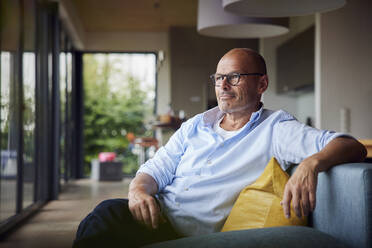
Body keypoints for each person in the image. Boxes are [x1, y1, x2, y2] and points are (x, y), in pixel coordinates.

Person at [73, 48, 366, 248]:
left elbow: (350, 146)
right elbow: (154, 169)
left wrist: (309, 165)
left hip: (185, 232)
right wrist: (138, 190)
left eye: (234, 77)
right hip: (155, 215)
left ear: (261, 83)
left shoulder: (276, 128)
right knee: (106, 215)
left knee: (104, 220)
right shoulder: (195, 125)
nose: (223, 84)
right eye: (218, 78)